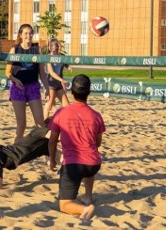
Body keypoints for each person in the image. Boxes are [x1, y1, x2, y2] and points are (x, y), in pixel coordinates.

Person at [48, 74, 105, 223]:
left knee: (64, 204)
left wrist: (52, 161)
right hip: (93, 165)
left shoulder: (61, 113)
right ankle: (88, 196)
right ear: (89, 92)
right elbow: (97, 143)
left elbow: (52, 141)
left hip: (73, 165)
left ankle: (85, 208)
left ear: (71, 92)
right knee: (88, 161)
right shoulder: (96, 115)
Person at [5, 24, 50, 142]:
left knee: (40, 124)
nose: (28, 35)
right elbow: (7, 72)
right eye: (26, 33)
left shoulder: (37, 49)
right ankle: (14, 153)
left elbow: (42, 73)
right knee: (21, 125)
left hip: (33, 87)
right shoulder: (15, 49)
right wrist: (15, 79)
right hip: (18, 87)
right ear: (21, 35)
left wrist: (47, 89)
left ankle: (47, 154)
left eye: (30, 33)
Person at [43, 39, 71, 120]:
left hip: (58, 82)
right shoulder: (48, 57)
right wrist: (62, 81)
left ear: (57, 46)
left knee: (67, 106)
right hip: (50, 82)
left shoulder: (61, 56)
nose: (50, 47)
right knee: (49, 104)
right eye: (49, 45)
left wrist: (68, 67)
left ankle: (65, 121)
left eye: (52, 45)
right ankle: (45, 122)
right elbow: (51, 72)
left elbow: (65, 64)